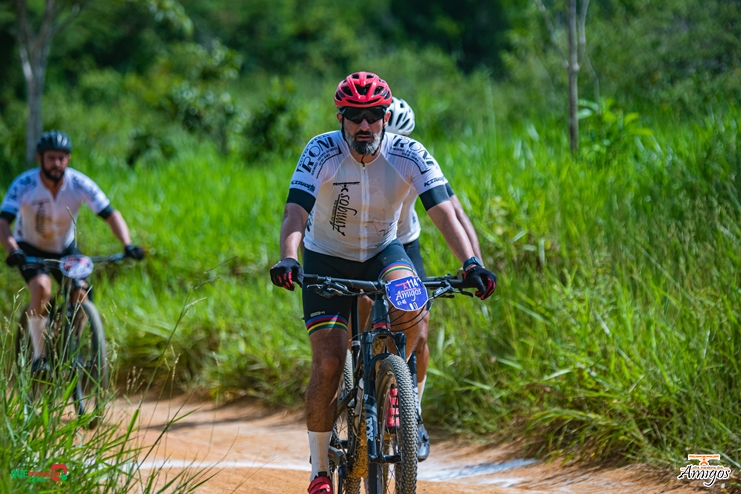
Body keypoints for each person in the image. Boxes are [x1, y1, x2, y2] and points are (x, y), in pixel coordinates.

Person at [269, 72, 496, 494]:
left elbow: (445, 211)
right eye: (355, 116)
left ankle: (396, 390)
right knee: (328, 362)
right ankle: (320, 470)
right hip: (327, 256)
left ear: (386, 116)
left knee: (413, 311)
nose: (364, 125)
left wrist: (471, 263)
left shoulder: (410, 152)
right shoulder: (320, 150)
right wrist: (288, 257)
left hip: (383, 251)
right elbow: (295, 212)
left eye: (373, 114)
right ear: (340, 117)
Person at [380, 96, 485, 461]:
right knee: (359, 307)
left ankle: (413, 411)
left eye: (401, 140)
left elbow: (454, 212)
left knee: (420, 328)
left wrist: (475, 263)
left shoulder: (416, 159)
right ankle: (360, 384)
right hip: (360, 245)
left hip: (404, 243)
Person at [0, 130, 144, 373]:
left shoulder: (79, 183)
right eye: (51, 158)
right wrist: (12, 249)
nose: (57, 163)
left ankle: (71, 344)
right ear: (40, 158)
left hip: (65, 247)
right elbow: (3, 222)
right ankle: (39, 358)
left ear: (68, 159)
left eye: (62, 158)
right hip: (28, 247)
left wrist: (127, 244)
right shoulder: (25, 184)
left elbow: (110, 214)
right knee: (42, 288)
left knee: (80, 292)